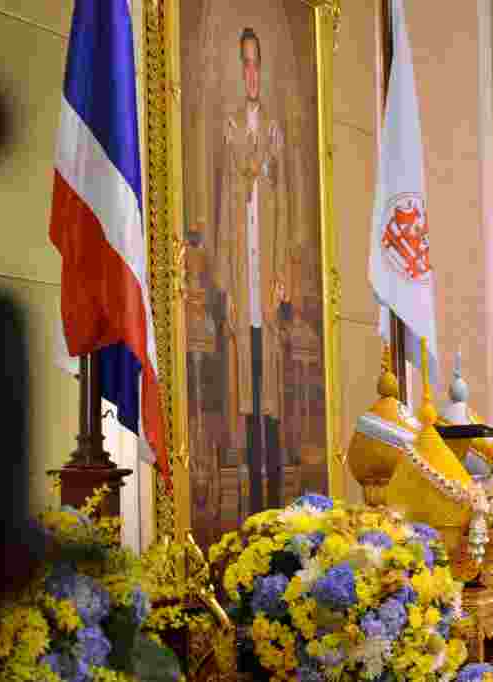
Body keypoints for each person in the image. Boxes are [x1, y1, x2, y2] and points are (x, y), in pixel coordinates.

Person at [216, 27, 291, 514]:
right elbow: (225, 202)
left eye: (255, 62)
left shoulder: (274, 131)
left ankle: (273, 490)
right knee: (245, 384)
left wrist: (283, 268)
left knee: (269, 393)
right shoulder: (228, 128)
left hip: (267, 272)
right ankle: (248, 499)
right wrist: (224, 278)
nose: (250, 72)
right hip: (241, 271)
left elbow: (284, 201)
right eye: (243, 62)